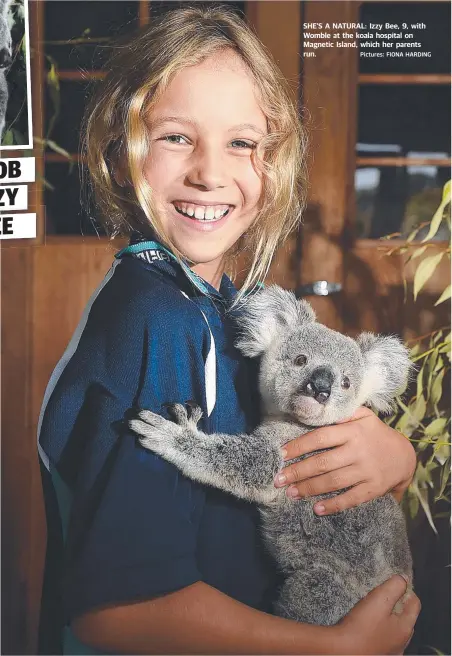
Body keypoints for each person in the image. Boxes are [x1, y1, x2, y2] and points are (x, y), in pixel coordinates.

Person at [37, 6, 420, 655]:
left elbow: (286, 458)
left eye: (241, 142)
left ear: (274, 161)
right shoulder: (157, 319)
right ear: (120, 148)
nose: (210, 173)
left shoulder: (223, 305)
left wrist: (393, 460)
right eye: (176, 137)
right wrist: (334, 649)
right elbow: (115, 612)